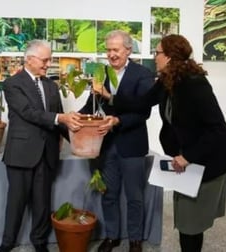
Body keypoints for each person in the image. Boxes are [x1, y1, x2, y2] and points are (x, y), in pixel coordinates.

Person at [96, 34, 226, 252]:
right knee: (186, 220)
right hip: (186, 161)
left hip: (207, 162)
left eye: (158, 53)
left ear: (171, 56)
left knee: (191, 224)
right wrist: (110, 97)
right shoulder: (167, 80)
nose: (155, 57)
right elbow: (142, 102)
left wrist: (188, 156)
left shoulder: (195, 83)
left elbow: (217, 129)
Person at [0, 40, 82, 252]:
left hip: (47, 153)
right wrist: (61, 117)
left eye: (49, 59)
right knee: (16, 203)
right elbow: (28, 113)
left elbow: (59, 122)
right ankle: (7, 243)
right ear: (30, 59)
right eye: (44, 60)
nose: (48, 63)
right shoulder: (13, 84)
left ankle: (40, 242)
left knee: (42, 203)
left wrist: (80, 139)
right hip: (21, 154)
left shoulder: (51, 86)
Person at [79, 30, 155, 252]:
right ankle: (112, 236)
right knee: (109, 194)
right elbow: (91, 105)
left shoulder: (142, 74)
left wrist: (117, 120)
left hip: (132, 145)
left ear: (128, 50)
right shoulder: (100, 73)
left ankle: (135, 239)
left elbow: (143, 112)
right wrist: (78, 117)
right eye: (108, 50)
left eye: (116, 50)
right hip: (105, 145)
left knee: (134, 197)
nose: (111, 54)